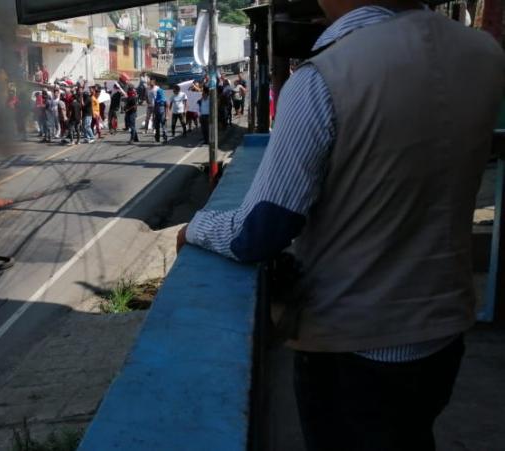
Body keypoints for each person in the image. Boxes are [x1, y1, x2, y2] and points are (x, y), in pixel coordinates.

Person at [176, 4, 504, 451]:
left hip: (354, 346)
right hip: (444, 332)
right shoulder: (484, 54)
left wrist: (195, 228)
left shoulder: (325, 76)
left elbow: (258, 232)